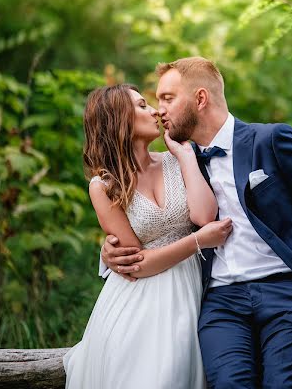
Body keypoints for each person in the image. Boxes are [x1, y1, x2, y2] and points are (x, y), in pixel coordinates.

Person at [101, 57, 292, 389]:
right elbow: (152, 217)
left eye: (167, 98)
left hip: (289, 294)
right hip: (221, 304)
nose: (158, 110)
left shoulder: (271, 140)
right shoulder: (181, 164)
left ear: (201, 98)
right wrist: (108, 249)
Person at [63, 83, 233, 389]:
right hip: (138, 302)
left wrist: (184, 156)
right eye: (142, 106)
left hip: (190, 290)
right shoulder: (103, 186)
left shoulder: (178, 158)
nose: (155, 110)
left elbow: (205, 217)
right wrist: (198, 241)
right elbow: (136, 264)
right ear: (118, 118)